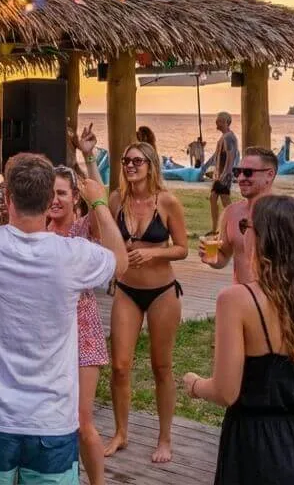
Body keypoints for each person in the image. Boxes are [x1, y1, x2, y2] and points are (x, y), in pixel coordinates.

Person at [0, 153, 127, 484]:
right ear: (50, 200)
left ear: (8, 198)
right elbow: (119, 262)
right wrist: (99, 202)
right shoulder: (73, 255)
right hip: (52, 422)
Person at [183, 195, 294, 484]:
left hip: (257, 447)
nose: (243, 233)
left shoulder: (237, 300)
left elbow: (226, 391)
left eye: (247, 226)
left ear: (266, 238)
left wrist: (194, 385)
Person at [105, 141, 188, 464]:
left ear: (151, 164)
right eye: (126, 161)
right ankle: (121, 433)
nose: (129, 166)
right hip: (126, 290)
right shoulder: (117, 199)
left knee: (161, 366)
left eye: (136, 161)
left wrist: (153, 251)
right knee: (120, 365)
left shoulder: (167, 202)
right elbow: (105, 235)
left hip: (162, 291)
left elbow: (182, 248)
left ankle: (164, 438)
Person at [44, 126, 112, 485]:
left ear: (75, 198)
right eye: (50, 193)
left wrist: (88, 157)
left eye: (61, 194)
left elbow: (103, 207)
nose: (55, 200)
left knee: (83, 421)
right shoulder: (37, 232)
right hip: (47, 336)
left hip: (82, 331)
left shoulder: (85, 229)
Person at [199, 147, 278, 285]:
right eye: (237, 172)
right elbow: (223, 256)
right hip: (241, 298)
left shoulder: (284, 214)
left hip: (276, 301)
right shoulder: (231, 213)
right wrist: (211, 257)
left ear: (270, 175)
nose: (241, 178)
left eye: (248, 173)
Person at [210, 112, 239, 233]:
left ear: (226, 122)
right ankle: (216, 228)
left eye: (219, 121)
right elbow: (216, 157)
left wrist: (225, 175)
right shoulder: (223, 137)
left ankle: (233, 227)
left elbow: (230, 157)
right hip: (219, 176)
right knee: (213, 198)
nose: (216, 122)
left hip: (224, 176)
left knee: (226, 202)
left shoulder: (229, 137)